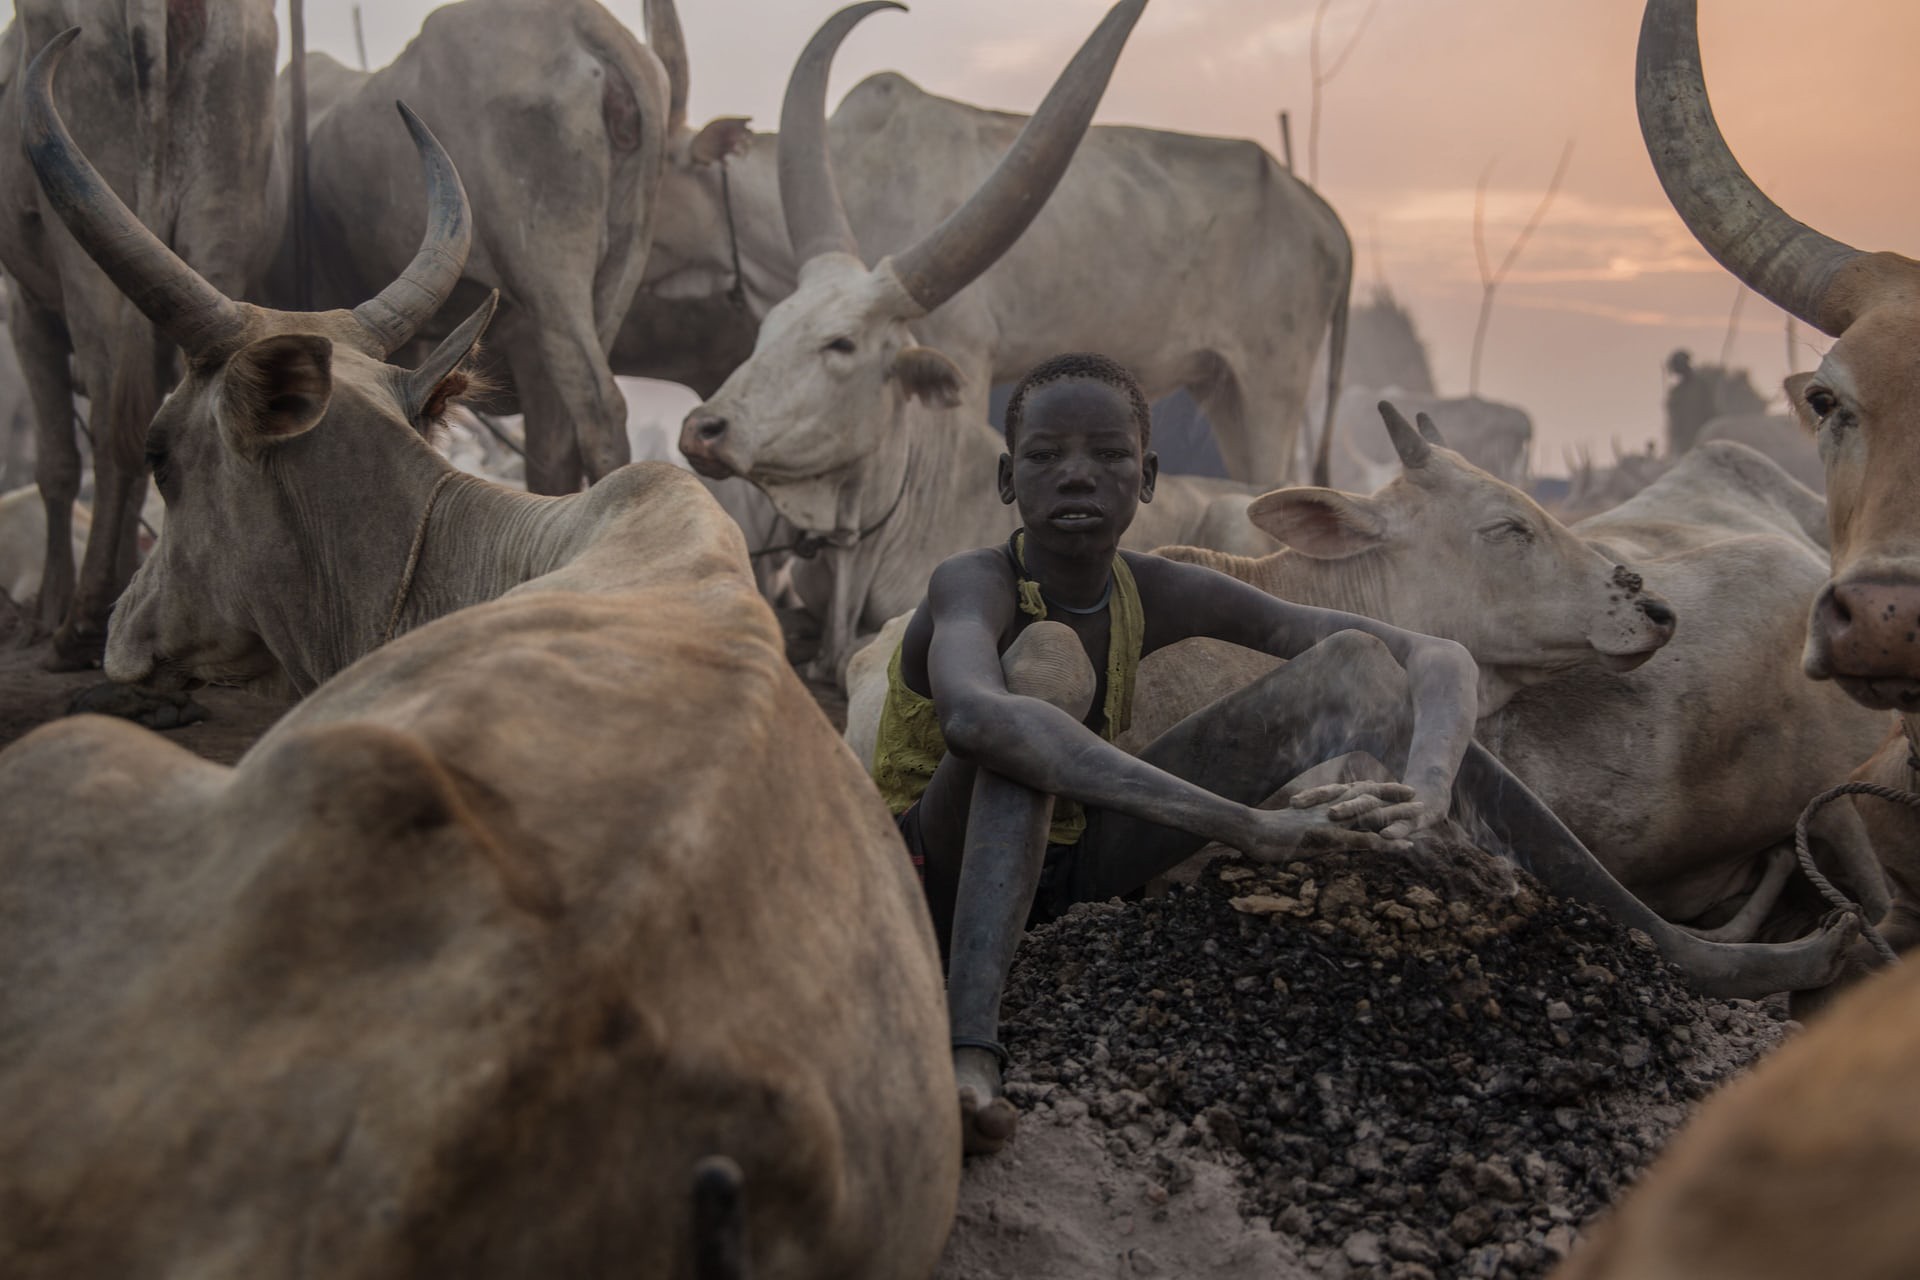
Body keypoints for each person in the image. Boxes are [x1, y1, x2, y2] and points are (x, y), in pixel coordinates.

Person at [873, 352, 1859, 1156]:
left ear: (1148, 478)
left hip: (1077, 865)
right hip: (935, 868)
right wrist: (1241, 821)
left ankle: (1674, 945)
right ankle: (972, 1046)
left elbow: (1431, 653)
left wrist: (1429, 774)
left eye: (1107, 455)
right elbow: (985, 724)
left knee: (1352, 658)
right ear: (1009, 479)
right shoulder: (973, 583)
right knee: (1037, 678)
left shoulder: (1158, 586)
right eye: (1045, 455)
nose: (1077, 475)